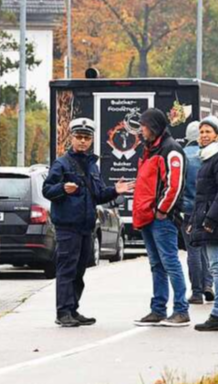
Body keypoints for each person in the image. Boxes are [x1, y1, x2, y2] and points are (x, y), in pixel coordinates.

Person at [43, 118, 134, 327]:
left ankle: (73, 309)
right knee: (67, 269)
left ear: (92, 140)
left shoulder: (93, 165)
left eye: (87, 138)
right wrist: (62, 189)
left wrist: (114, 190)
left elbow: (98, 194)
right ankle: (63, 312)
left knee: (79, 270)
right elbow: (47, 190)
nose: (83, 141)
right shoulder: (61, 163)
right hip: (67, 226)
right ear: (72, 138)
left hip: (87, 226)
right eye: (79, 137)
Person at [131, 108, 190, 327]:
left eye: (144, 126)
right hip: (148, 216)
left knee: (170, 262)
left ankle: (181, 310)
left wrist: (162, 210)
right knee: (157, 264)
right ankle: (158, 309)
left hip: (162, 218)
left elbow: (174, 185)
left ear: (154, 127)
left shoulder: (171, 150)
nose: (141, 130)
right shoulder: (149, 149)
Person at [188, 118, 218, 332]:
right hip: (209, 219)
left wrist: (210, 219)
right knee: (215, 267)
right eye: (201, 132)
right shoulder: (208, 157)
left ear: (217, 135)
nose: (204, 135)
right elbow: (203, 196)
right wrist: (194, 221)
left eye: (208, 131)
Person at [181, 120, 213, 305]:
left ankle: (197, 291)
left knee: (193, 250)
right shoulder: (211, 155)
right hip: (209, 208)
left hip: (188, 209)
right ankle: (208, 283)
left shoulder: (183, 156)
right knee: (208, 249)